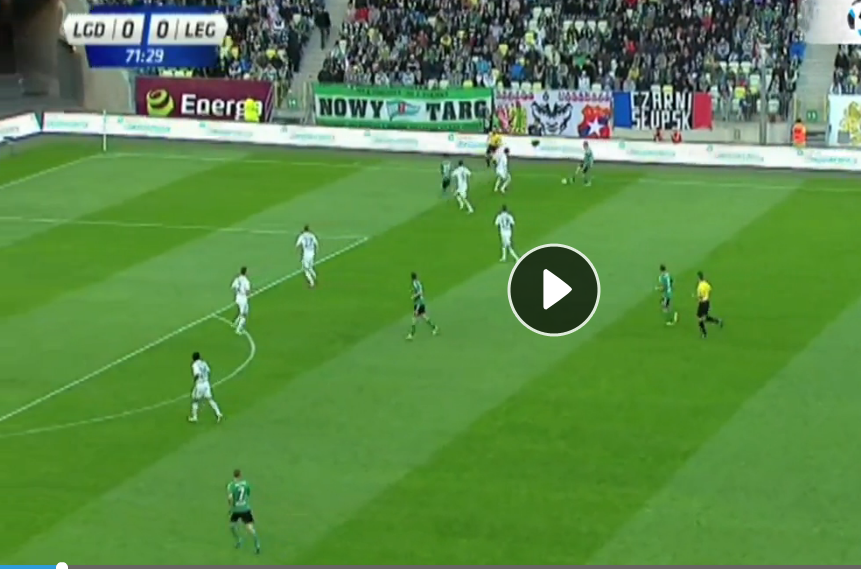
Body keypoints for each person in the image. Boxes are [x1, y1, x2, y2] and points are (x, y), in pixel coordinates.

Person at [227, 469, 261, 553]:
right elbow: (248, 494)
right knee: (250, 528)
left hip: (236, 510)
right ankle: (257, 545)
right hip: (245, 509)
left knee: (232, 526)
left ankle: (239, 540)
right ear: (240, 475)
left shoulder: (231, 485)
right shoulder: (246, 484)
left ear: (234, 475)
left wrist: (231, 508)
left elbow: (230, 498)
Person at [407, 272, 439, 340]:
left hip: (419, 303)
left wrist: (414, 296)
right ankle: (434, 327)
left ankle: (411, 334)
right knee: (423, 316)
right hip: (420, 302)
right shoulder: (418, 282)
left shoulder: (415, 283)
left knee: (414, 317)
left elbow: (420, 292)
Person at [695, 271, 724, 338]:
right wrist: (707, 296)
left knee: (701, 319)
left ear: (698, 278)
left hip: (703, 303)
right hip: (707, 302)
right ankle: (718, 321)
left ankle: (704, 334)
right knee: (703, 318)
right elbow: (710, 289)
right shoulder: (706, 284)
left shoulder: (699, 286)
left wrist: (697, 298)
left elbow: (700, 296)